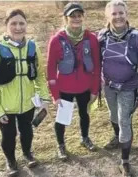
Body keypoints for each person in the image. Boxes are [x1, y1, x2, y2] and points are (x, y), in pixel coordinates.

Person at [0, 8, 50, 176]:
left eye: (21, 23)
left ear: (26, 25)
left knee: (27, 131)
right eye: (13, 23)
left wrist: (44, 97)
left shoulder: (32, 47)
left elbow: (39, 74)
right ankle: (11, 160)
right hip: (4, 106)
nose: (18, 27)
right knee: (8, 135)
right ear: (6, 25)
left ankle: (27, 153)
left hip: (27, 103)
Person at [97, 0, 138, 176]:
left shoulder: (137, 38)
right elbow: (97, 63)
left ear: (126, 15)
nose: (118, 16)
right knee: (113, 115)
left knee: (124, 120)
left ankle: (125, 160)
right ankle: (118, 138)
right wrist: (97, 84)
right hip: (109, 85)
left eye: (121, 13)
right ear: (107, 16)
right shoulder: (102, 37)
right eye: (114, 13)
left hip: (129, 86)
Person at [46, 2, 101, 161]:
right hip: (65, 88)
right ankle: (61, 145)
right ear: (65, 18)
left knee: (85, 114)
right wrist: (55, 95)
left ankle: (85, 138)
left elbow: (97, 66)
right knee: (62, 118)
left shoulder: (91, 38)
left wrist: (94, 90)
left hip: (85, 87)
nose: (76, 19)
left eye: (79, 15)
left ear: (83, 17)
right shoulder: (56, 40)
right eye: (72, 16)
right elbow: (50, 70)